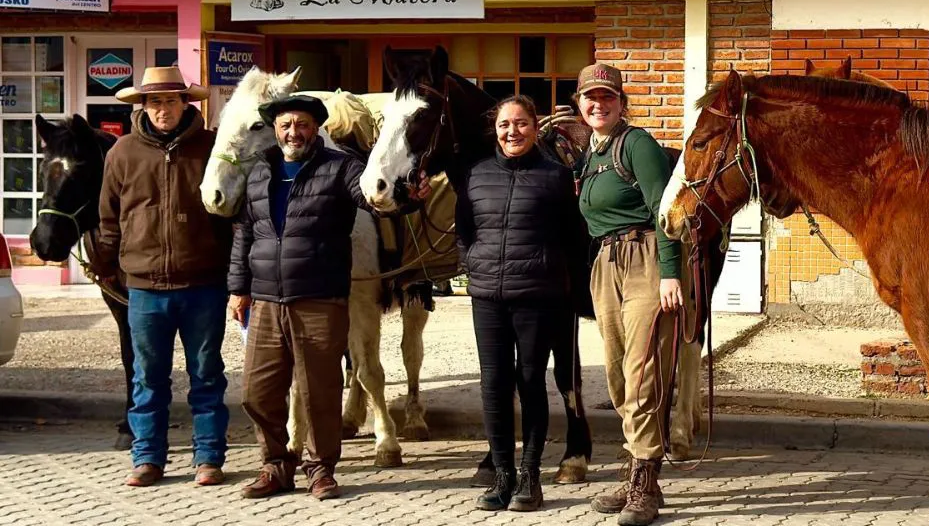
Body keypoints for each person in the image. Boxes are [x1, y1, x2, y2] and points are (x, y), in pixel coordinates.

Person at [228, 95, 430, 500]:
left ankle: (320, 469)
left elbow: (372, 197)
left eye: (302, 124)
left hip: (320, 296)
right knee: (257, 390)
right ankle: (276, 465)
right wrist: (238, 287)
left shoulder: (339, 168)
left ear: (316, 128)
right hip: (267, 298)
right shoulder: (259, 171)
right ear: (275, 129)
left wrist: (408, 198)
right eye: (286, 125)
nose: (293, 132)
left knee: (319, 389)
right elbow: (245, 233)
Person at [96, 66, 233, 487]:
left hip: (203, 284)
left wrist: (231, 273)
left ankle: (208, 457)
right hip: (145, 289)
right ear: (143, 106)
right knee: (147, 378)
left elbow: (232, 217)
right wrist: (109, 270)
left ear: (185, 103)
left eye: (170, 100)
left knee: (207, 375)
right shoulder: (121, 153)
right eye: (154, 101)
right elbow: (108, 220)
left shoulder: (211, 148)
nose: (162, 109)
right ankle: (148, 459)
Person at [454, 95, 587, 512]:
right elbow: (464, 230)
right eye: (504, 125)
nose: (513, 132)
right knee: (493, 387)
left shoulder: (556, 177)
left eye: (522, 124)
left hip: (538, 297)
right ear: (495, 130)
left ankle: (530, 478)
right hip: (488, 299)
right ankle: (502, 476)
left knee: (531, 383)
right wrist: (473, 264)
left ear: (535, 126)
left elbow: (573, 237)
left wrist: (552, 275)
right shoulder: (475, 175)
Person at [575, 63, 683, 526]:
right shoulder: (591, 153)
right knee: (618, 376)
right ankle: (636, 467)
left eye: (607, 97)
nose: (598, 104)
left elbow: (667, 211)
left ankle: (646, 482)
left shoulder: (636, 144)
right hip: (606, 264)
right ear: (580, 104)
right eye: (589, 98)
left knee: (642, 373)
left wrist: (670, 273)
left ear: (622, 102)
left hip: (645, 260)